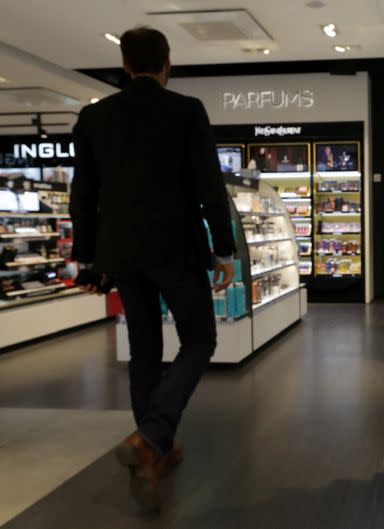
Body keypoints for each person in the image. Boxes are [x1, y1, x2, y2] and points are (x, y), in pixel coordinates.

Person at [69, 26, 235, 510]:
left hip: (122, 254)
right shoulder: (186, 111)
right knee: (200, 339)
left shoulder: (95, 117)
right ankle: (153, 437)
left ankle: (153, 449)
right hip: (177, 248)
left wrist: (90, 259)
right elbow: (209, 185)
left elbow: (84, 195)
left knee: (144, 351)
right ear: (168, 63)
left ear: (125, 65)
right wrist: (224, 250)